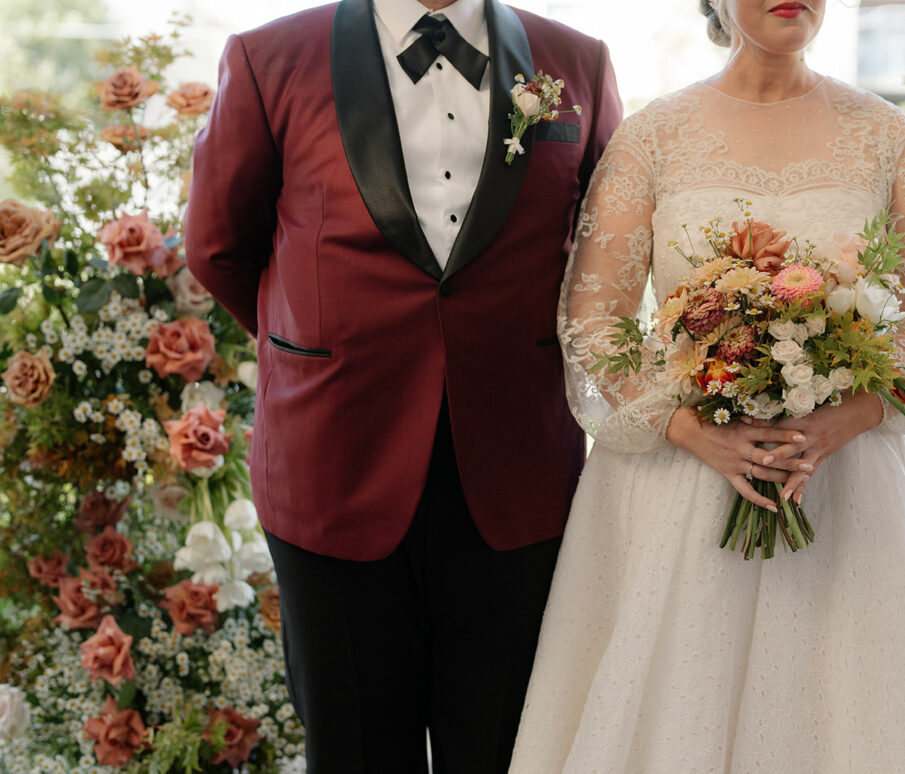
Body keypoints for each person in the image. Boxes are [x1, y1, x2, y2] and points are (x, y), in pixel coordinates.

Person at [508, 1, 905, 771]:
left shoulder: (883, 134)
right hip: (679, 482)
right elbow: (593, 318)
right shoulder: (653, 136)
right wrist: (690, 430)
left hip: (852, 488)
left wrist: (850, 415)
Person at [183, 0, 621, 770]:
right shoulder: (268, 57)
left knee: (504, 746)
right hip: (332, 457)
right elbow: (219, 246)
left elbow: (609, 250)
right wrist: (319, 344)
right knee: (353, 746)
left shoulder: (575, 60)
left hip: (517, 467)